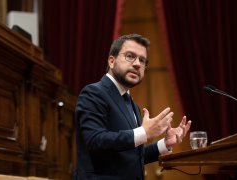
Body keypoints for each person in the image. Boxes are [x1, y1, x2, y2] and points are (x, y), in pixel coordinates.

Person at [73, 34, 191, 180]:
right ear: (111, 61)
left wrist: (164, 144)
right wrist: (143, 132)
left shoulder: (133, 105)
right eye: (130, 56)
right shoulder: (93, 93)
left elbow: (132, 157)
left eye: (142, 60)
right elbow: (95, 140)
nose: (137, 64)